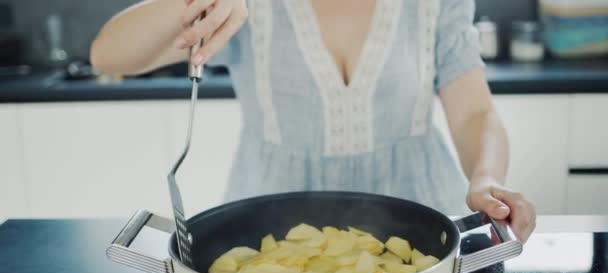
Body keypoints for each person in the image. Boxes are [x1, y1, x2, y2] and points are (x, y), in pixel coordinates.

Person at [91, 0, 536, 242]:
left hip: (421, 230)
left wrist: (487, 179)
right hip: (270, 235)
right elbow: (109, 55)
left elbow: (475, 111)